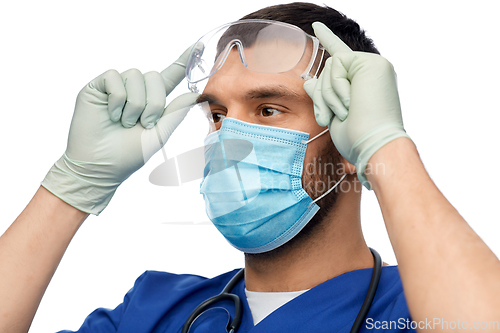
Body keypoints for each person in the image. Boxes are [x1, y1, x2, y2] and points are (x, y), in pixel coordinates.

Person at [1, 2, 499, 333]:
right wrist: (72, 186)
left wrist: (385, 150)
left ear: (349, 134)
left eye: (267, 110)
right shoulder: (154, 310)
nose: (228, 140)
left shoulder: (418, 310)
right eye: (217, 115)